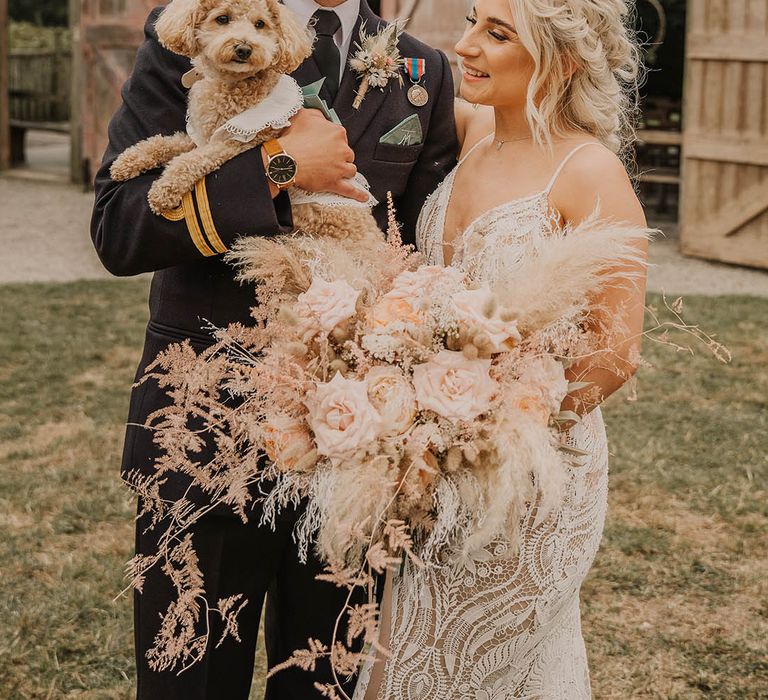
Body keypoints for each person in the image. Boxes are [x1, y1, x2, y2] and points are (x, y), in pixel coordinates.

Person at [89, 1, 458, 698]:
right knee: (189, 682)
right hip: (203, 431)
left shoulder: (423, 68)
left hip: (351, 448)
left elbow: (426, 253)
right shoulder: (198, 34)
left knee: (326, 685)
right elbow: (118, 226)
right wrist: (278, 168)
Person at [354, 0, 648, 697]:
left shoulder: (589, 171)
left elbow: (615, 354)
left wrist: (491, 440)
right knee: (405, 653)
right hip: (429, 465)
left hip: (531, 476)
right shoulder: (476, 129)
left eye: (496, 33)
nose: (466, 46)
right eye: (470, 22)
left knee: (484, 667)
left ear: (563, 60)